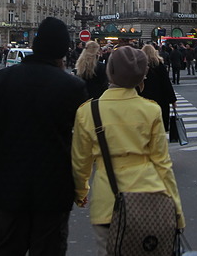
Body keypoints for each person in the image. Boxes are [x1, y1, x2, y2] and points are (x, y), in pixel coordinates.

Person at [0, 17, 88, 256]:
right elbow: (82, 146)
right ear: (62, 50)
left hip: (9, 190)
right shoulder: (72, 88)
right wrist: (81, 187)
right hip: (53, 191)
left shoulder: (1, 80)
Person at [71, 46, 185, 256]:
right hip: (150, 200)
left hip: (107, 204)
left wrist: (81, 193)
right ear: (142, 76)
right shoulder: (151, 110)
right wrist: (176, 210)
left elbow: (80, 162)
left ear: (109, 72)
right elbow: (163, 164)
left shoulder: (88, 111)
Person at [139, 43, 177, 131]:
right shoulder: (159, 66)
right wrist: (173, 100)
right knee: (159, 127)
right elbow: (167, 84)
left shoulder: (140, 66)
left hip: (144, 99)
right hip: (160, 99)